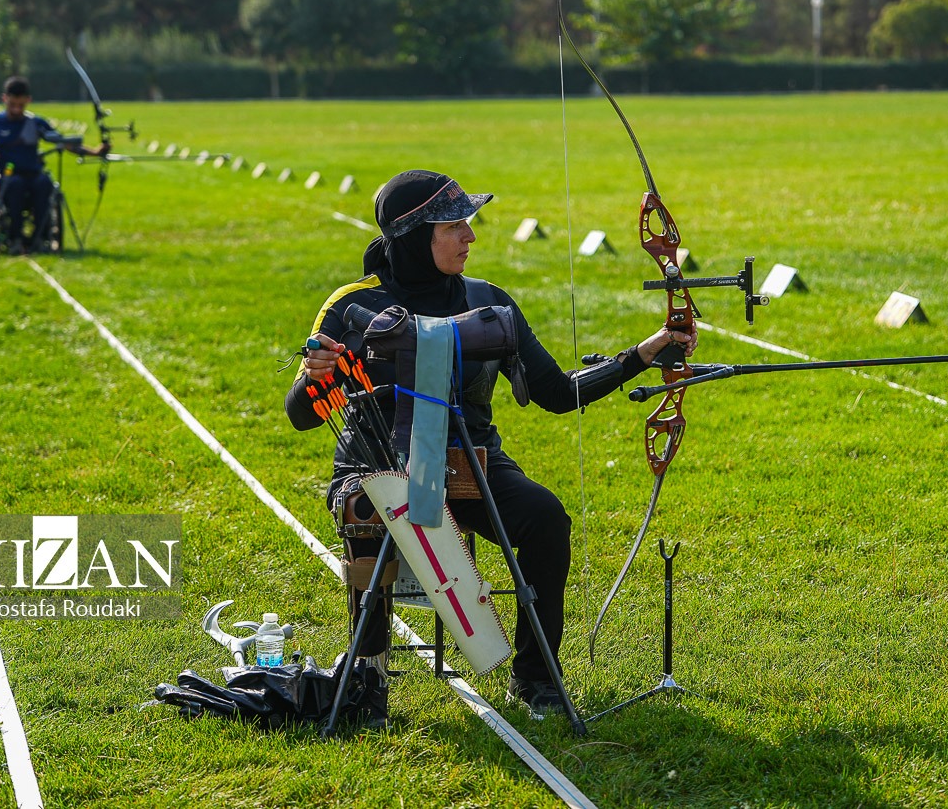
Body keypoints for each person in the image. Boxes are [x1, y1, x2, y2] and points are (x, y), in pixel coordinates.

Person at [285, 169, 696, 725]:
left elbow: (557, 393)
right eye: (453, 227)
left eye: (468, 224)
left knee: (545, 518)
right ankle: (368, 676)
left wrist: (643, 354)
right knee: (364, 509)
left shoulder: (488, 302)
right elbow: (300, 415)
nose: (470, 236)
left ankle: (537, 678)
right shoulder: (351, 305)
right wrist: (319, 376)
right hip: (376, 468)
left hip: (470, 465)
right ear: (414, 237)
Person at [0, 75, 108, 254]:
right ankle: (15, 239)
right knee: (15, 185)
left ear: (28, 100)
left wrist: (95, 152)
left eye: (21, 105)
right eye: (12, 105)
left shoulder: (35, 123)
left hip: (33, 174)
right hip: (7, 175)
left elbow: (64, 143)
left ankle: (40, 239)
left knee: (44, 184)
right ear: (4, 99)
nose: (17, 109)